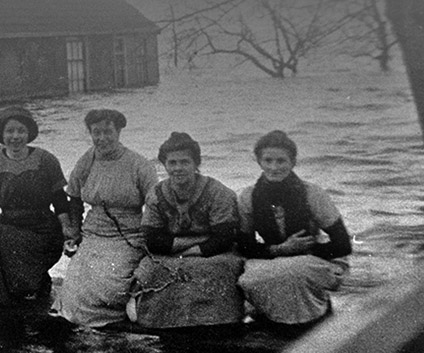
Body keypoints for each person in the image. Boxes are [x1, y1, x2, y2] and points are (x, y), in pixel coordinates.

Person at [0, 106, 73, 347]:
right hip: (9, 224)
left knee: (12, 247)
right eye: (10, 131)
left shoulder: (46, 160)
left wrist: (67, 228)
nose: (15, 136)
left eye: (21, 131)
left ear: (29, 134)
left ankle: (33, 284)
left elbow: (60, 201)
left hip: (43, 228)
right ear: (1, 134)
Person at [236, 130, 352, 330]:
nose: (274, 167)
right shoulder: (248, 197)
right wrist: (280, 250)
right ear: (259, 162)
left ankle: (309, 319)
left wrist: (303, 250)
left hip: (314, 257)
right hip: (274, 257)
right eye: (268, 160)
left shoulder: (312, 194)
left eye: (281, 161)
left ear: (293, 162)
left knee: (293, 270)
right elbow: (245, 246)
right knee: (250, 278)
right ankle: (275, 318)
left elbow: (343, 245)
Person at [55, 109, 158, 327]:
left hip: (128, 236)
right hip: (93, 234)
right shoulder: (87, 160)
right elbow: (73, 197)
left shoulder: (139, 164)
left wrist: (150, 237)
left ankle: (116, 314)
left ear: (119, 131)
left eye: (108, 132)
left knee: (110, 288)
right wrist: (74, 229)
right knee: (75, 288)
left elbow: (155, 204)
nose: (102, 138)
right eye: (96, 132)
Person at [133, 132, 245, 329]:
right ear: (164, 165)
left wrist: (185, 251)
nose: (178, 168)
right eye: (172, 163)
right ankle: (165, 324)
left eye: (184, 162)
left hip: (214, 253)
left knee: (218, 268)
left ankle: (216, 324)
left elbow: (225, 237)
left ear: (196, 164)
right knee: (151, 270)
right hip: (177, 252)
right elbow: (151, 240)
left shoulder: (217, 192)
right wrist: (196, 241)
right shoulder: (157, 194)